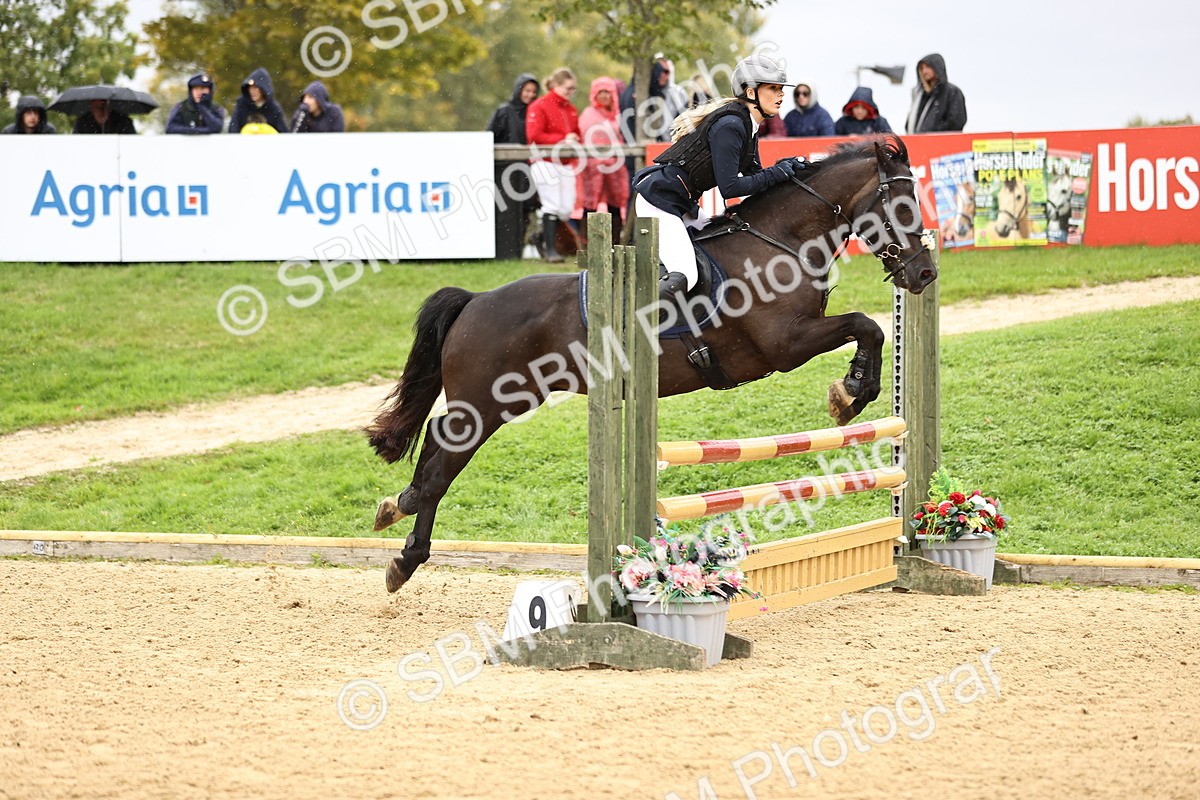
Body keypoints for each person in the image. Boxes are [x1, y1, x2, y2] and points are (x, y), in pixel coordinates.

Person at [633, 54, 805, 302]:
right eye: (773, 88)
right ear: (750, 91)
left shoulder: (748, 125)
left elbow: (756, 178)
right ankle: (637, 325)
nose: (781, 95)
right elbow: (730, 187)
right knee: (687, 275)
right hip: (660, 203)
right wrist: (778, 172)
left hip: (681, 204)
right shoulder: (731, 125)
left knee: (723, 251)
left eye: (781, 89)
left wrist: (784, 170)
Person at [525, 67, 581, 264]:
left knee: (566, 209)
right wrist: (562, 139)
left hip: (564, 162)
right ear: (555, 85)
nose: (570, 92)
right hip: (544, 160)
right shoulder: (539, 106)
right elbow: (535, 136)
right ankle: (550, 250)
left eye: (573, 89)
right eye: (567, 88)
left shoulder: (571, 109)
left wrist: (574, 139)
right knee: (552, 204)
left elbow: (576, 132)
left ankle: (542, 235)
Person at [487, 72, 541, 258]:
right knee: (507, 210)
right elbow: (490, 137)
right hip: (506, 170)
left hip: (529, 168)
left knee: (527, 209)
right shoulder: (504, 111)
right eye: (526, 90)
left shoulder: (535, 113)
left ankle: (520, 248)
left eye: (533, 91)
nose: (530, 95)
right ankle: (505, 251)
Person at [578, 76, 630, 246]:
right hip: (593, 166)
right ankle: (587, 244)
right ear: (594, 94)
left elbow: (623, 136)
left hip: (615, 166)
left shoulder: (618, 115)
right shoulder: (588, 114)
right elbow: (586, 137)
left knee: (615, 204)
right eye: (600, 92)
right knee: (590, 204)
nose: (604, 96)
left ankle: (615, 243)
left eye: (607, 92)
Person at [905, 53, 967, 133]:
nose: (924, 71)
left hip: (943, 143)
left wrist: (932, 133)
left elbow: (957, 122)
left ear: (937, 67)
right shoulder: (919, 95)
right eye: (921, 68)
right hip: (917, 143)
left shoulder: (952, 92)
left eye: (928, 67)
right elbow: (910, 123)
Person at [228, 67, 287, 133]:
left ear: (264, 89)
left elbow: (283, 134)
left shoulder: (274, 109)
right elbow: (233, 131)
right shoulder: (241, 106)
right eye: (250, 88)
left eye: (255, 88)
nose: (252, 91)